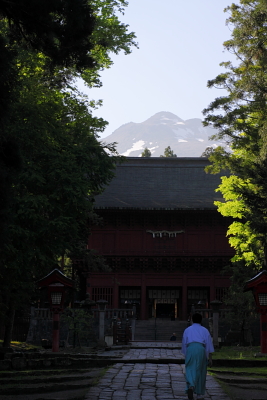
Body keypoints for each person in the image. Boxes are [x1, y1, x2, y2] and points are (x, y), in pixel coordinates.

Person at [181, 313, 214, 400]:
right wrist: (209, 358)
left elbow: (184, 343)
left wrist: (186, 354)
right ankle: (199, 394)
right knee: (201, 370)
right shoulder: (205, 330)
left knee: (190, 369)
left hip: (190, 348)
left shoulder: (187, 330)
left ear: (192, 319)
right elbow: (209, 344)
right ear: (201, 320)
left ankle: (191, 385)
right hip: (201, 348)